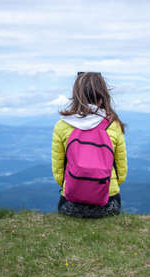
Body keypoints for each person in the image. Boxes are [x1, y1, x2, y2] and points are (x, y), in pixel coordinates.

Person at [51, 72, 127, 218]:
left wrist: (75, 184)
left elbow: (58, 173)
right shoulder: (114, 125)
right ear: (103, 95)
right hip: (108, 203)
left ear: (77, 95)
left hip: (71, 203)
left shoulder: (62, 126)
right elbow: (121, 174)